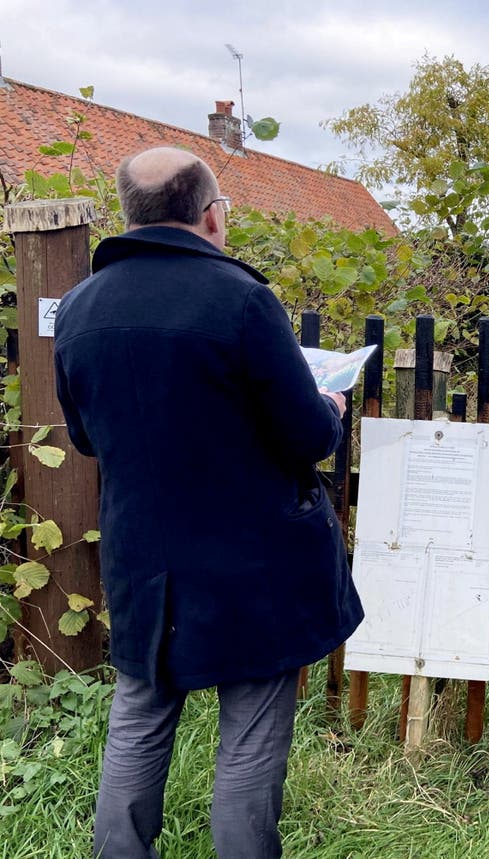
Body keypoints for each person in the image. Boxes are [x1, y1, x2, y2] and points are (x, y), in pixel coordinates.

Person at [53, 147, 364, 858]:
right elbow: (309, 435)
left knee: (138, 714)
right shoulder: (242, 301)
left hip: (142, 556)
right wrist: (330, 402)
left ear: (131, 215)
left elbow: (84, 435)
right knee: (250, 737)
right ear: (213, 214)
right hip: (248, 563)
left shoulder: (77, 308)